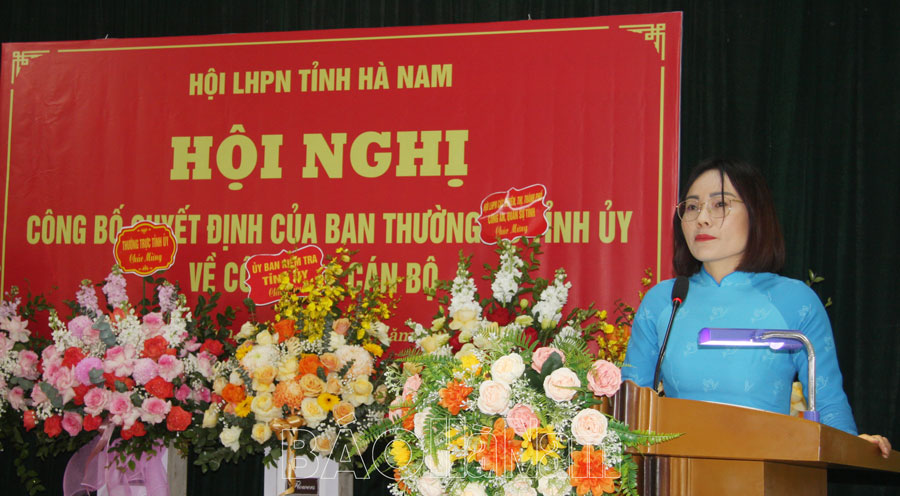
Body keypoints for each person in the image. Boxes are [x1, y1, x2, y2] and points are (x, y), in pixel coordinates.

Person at [622, 158, 891, 458]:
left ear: (755, 213)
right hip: (677, 473)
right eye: (692, 207)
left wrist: (855, 447)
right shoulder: (665, 300)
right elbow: (629, 409)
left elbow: (827, 401)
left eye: (720, 204)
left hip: (766, 471)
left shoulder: (795, 301)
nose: (702, 219)